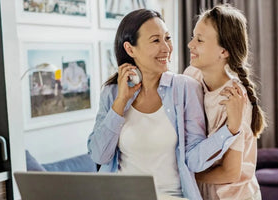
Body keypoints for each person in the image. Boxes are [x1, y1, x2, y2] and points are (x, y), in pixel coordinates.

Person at [87, 9, 243, 200]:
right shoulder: (111, 93)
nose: (166, 48)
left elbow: (193, 161)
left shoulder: (186, 88)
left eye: (167, 38)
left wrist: (230, 130)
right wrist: (120, 103)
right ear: (130, 49)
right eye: (155, 40)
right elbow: (99, 156)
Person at [184, 4, 267, 200]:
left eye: (200, 40)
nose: (190, 44)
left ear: (224, 52)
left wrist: (184, 175)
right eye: (193, 36)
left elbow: (230, 173)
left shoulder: (234, 97)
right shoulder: (192, 75)